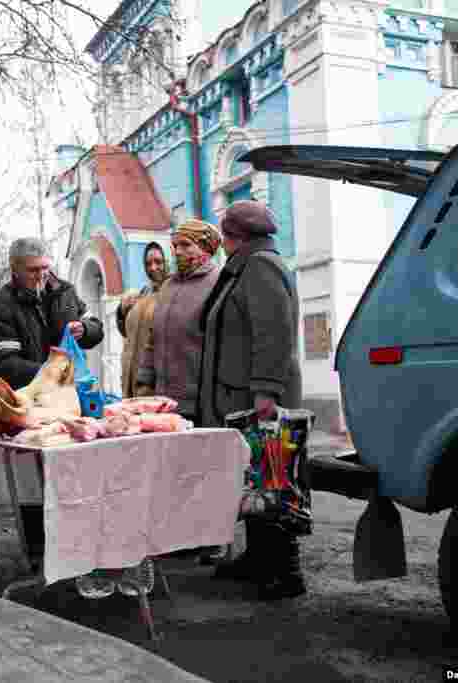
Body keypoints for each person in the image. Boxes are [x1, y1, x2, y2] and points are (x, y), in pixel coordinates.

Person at [199, 200, 305, 599]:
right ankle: (259, 557)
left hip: (259, 397)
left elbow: (272, 334)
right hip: (242, 394)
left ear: (236, 237)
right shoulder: (247, 266)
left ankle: (286, 570)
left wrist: (266, 391)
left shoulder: (259, 267)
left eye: (225, 235)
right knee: (254, 480)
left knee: (273, 479)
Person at [0, 236, 104, 561]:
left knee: (74, 471)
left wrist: (86, 329)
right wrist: (52, 372)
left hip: (72, 402)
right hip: (30, 406)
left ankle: (76, 541)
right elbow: (4, 365)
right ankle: (39, 550)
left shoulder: (64, 291)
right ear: (15, 269)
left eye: (46, 268)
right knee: (31, 479)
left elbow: (96, 328)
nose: (42, 276)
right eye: (33, 270)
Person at [135, 219, 222, 423]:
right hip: (162, 403)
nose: (177, 251)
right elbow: (152, 338)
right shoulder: (168, 286)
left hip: (199, 404)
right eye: (175, 246)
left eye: (185, 245)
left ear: (205, 248)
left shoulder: (218, 283)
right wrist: (145, 380)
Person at [117, 242, 169, 398]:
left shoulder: (174, 294)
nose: (152, 268)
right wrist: (122, 310)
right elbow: (127, 332)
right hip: (132, 377)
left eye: (158, 262)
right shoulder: (144, 292)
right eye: (148, 263)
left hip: (154, 382)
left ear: (169, 261)